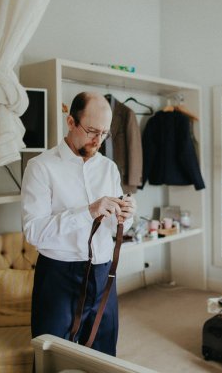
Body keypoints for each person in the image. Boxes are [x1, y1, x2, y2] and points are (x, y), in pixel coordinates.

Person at [22, 91, 136, 355]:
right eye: (91, 131)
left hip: (103, 272)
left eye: (105, 134)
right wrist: (88, 212)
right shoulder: (40, 168)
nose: (98, 141)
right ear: (71, 122)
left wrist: (125, 216)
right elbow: (34, 232)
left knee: (104, 356)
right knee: (51, 356)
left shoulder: (109, 168)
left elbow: (114, 228)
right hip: (59, 276)